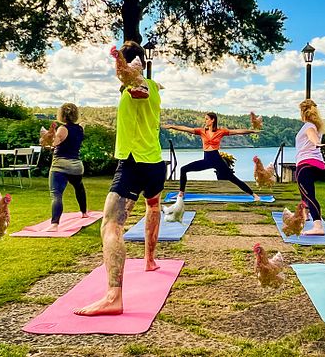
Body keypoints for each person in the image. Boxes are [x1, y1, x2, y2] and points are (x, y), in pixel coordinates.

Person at [74, 41, 166, 316]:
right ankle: (149, 260)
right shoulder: (154, 87)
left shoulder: (141, 84)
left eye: (120, 63)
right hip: (155, 164)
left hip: (133, 162)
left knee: (110, 224)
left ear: (129, 63)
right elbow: (143, 89)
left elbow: (139, 89)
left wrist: (132, 83)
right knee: (153, 206)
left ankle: (113, 296)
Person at [163, 113, 260, 201]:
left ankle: (254, 195)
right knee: (183, 169)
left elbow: (237, 131)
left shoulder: (220, 132)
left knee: (233, 178)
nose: (205, 121)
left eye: (206, 119)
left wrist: (251, 131)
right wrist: (172, 126)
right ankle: (181, 194)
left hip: (217, 160)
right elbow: (186, 129)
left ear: (212, 120)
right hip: (206, 160)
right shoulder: (201, 131)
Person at [46, 102, 91, 232]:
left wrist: (47, 141)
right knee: (79, 187)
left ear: (62, 115)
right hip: (76, 166)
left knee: (56, 194)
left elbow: (54, 143)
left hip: (60, 165)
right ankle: (84, 212)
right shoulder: (80, 128)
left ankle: (54, 224)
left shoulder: (62, 129)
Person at [294, 99, 325, 235]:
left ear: (302, 112)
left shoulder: (308, 126)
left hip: (305, 164)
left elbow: (312, 137)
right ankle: (305, 214)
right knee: (305, 192)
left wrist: (317, 143)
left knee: (309, 195)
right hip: (315, 163)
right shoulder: (315, 125)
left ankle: (318, 226)